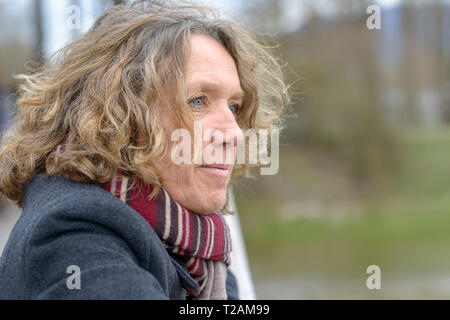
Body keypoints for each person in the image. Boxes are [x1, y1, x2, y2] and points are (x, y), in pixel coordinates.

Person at [0, 0, 289, 299]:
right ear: (119, 114)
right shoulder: (75, 235)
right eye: (198, 101)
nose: (235, 133)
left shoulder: (199, 251)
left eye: (233, 106)